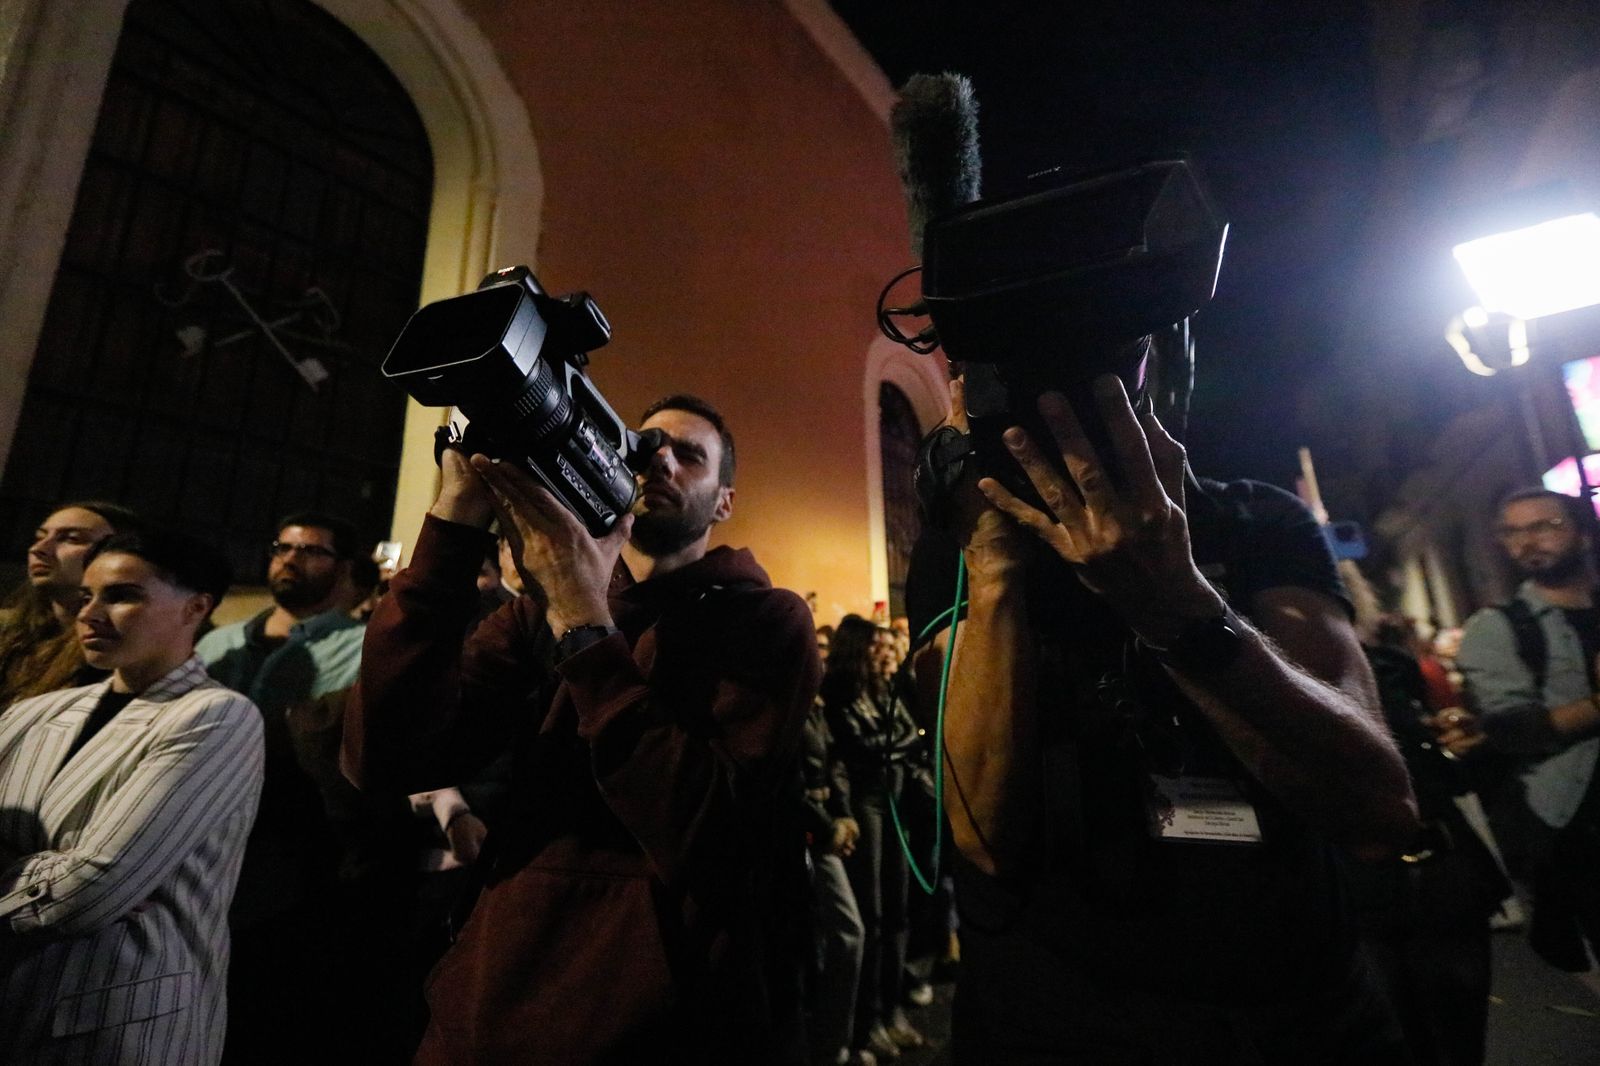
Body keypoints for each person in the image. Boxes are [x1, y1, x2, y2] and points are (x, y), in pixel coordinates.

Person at [918, 367, 1419, 1063]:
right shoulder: (964, 545)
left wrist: (1171, 600)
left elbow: (1378, 811)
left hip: (1293, 1012)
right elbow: (983, 836)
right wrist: (995, 569)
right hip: (1053, 1020)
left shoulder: (1254, 519)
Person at [344, 394, 820, 1063]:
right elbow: (384, 757)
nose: (661, 460)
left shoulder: (766, 619)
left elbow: (708, 829)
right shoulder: (537, 613)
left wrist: (581, 616)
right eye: (646, 444)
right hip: (482, 1020)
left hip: (656, 1029)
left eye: (690, 455)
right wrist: (455, 521)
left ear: (724, 502)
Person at [0, 528, 263, 1065]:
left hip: (119, 1015)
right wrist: (60, 870)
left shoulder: (216, 715)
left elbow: (91, 891)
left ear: (195, 608)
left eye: (122, 596)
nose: (90, 614)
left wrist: (80, 878)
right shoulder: (34, 713)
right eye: (86, 596)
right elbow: (92, 884)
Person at [194, 511, 367, 1064]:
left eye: (311, 551)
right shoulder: (218, 642)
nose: (291, 559)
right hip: (200, 841)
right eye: (282, 548)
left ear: (344, 568)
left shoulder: (363, 647)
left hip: (295, 849)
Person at [1456, 487, 1600, 971]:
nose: (1527, 541)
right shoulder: (1496, 627)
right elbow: (1513, 730)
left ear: (1583, 533)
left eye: (1543, 526)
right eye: (1512, 532)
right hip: (1580, 825)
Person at [823, 615, 930, 1060]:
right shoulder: (839, 695)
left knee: (898, 911)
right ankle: (867, 1023)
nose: (881, 652)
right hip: (867, 805)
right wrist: (897, 745)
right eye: (873, 645)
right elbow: (864, 748)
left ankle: (891, 1010)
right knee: (874, 913)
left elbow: (908, 735)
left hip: (893, 802)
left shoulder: (882, 691)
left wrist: (894, 746)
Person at [0, 501, 140, 708]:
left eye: (72, 538)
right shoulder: (9, 630)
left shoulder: (124, 654)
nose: (39, 549)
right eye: (39, 537)